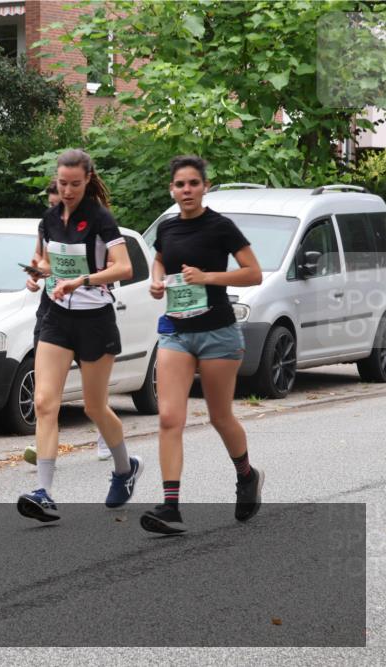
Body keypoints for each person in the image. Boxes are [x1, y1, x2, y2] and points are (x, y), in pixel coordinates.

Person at [140, 156, 264, 535]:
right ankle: (170, 507)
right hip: (176, 332)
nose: (187, 190)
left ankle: (246, 475)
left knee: (219, 416)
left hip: (218, 334)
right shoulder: (168, 227)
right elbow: (159, 261)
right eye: (180, 184)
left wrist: (208, 276)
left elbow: (253, 273)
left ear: (205, 187)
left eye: (194, 183)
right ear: (172, 190)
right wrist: (157, 281)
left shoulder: (221, 227)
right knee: (168, 417)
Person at [17, 149, 141, 523]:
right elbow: (45, 262)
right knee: (44, 402)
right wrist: (37, 273)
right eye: (62, 183)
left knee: (94, 407)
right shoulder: (49, 219)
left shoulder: (101, 219)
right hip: (57, 316)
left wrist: (82, 281)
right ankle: (45, 492)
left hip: (95, 319)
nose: (67, 190)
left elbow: (124, 267)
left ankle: (125, 468)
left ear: (87, 180)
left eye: (74, 184)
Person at [23, 180, 111, 464]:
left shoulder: (95, 226)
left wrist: (84, 280)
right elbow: (39, 263)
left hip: (89, 310)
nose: (55, 210)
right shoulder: (46, 225)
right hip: (51, 310)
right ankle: (44, 437)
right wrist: (33, 278)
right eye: (50, 204)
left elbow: (114, 268)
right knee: (45, 389)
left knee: (93, 384)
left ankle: (106, 434)